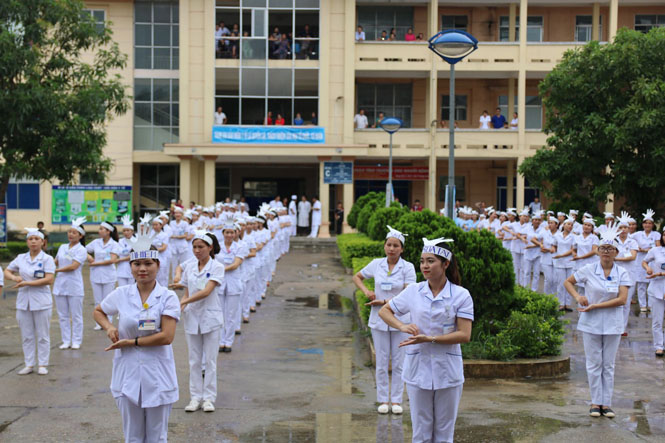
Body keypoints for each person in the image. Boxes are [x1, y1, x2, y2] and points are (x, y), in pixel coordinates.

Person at [379, 237, 473, 442]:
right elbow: (385, 312)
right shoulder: (414, 291)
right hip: (417, 369)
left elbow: (465, 334)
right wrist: (402, 326)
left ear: (445, 264)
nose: (424, 266)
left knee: (444, 434)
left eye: (430, 261)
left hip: (448, 370)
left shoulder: (461, 295)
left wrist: (430, 338)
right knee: (420, 432)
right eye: (422, 261)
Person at [93, 236, 180, 442]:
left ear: (157, 265)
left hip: (157, 374)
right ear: (130, 266)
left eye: (148, 264)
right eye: (137, 264)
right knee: (132, 435)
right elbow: (98, 311)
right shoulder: (121, 293)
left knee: (157, 436)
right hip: (128, 372)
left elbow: (167, 336)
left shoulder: (168, 297)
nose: (143, 269)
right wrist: (109, 327)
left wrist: (131, 343)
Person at [564, 223, 630, 418]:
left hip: (612, 322)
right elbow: (568, 282)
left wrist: (595, 305)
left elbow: (622, 299)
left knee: (608, 364)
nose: (606, 252)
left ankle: (606, 404)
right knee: (594, 363)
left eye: (610, 249)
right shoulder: (588, 269)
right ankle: (595, 402)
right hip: (591, 322)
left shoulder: (622, 273)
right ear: (598, 251)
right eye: (603, 248)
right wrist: (578, 297)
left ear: (617, 252)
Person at [353, 226, 416, 415]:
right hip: (379, 319)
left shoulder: (408, 267)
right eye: (389, 245)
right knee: (381, 362)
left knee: (398, 362)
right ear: (384, 246)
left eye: (396, 246)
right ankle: (382, 399)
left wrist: (386, 302)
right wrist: (367, 292)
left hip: (400, 319)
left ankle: (396, 400)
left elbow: (409, 292)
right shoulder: (376, 264)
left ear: (402, 249)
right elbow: (357, 277)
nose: (391, 249)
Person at [180, 231, 225, 413]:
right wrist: (178, 308)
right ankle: (195, 397)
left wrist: (184, 302)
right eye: (194, 247)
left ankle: (208, 398)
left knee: (210, 360)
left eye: (201, 247)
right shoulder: (190, 267)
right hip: (192, 317)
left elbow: (206, 291)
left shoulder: (217, 267)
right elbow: (187, 292)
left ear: (210, 248)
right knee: (194, 360)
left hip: (210, 317)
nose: (197, 251)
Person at [5, 228, 56, 375]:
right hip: (23, 302)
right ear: (27, 242)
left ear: (42, 242)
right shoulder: (21, 258)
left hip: (41, 301)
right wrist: (15, 278)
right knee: (27, 335)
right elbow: (7, 271)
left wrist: (27, 283)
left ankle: (43, 364)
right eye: (30, 239)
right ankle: (29, 364)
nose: (33, 241)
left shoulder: (47, 259)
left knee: (42, 335)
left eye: (36, 239)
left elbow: (49, 279)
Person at [53, 217, 88, 350]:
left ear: (80, 236)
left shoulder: (81, 250)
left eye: (74, 232)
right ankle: (66, 340)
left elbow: (74, 266)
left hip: (74, 286)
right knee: (63, 315)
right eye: (69, 232)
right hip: (60, 285)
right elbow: (55, 261)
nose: (71, 234)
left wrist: (56, 270)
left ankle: (76, 340)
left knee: (76, 315)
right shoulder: (62, 247)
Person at [87, 222, 120, 329]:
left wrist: (95, 263)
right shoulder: (96, 242)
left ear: (108, 231)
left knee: (107, 299)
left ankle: (108, 322)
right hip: (96, 274)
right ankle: (99, 322)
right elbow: (83, 250)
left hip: (108, 275)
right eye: (99, 229)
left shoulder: (114, 244)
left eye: (102, 229)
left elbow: (112, 260)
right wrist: (89, 257)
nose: (99, 231)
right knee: (97, 300)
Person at [217, 224, 244, 352]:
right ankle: (220, 341)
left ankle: (228, 341)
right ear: (223, 233)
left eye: (231, 232)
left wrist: (220, 269)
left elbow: (236, 264)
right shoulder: (217, 247)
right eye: (227, 232)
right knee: (220, 313)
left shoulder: (239, 247)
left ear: (235, 234)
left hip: (233, 281)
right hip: (220, 282)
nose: (229, 235)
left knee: (231, 314)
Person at [614, 212, 638, 336]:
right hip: (614, 273)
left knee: (626, 302)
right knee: (613, 299)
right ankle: (614, 325)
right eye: (621, 227)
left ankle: (622, 328)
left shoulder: (632, 242)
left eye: (625, 228)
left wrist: (617, 259)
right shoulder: (613, 241)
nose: (623, 230)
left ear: (629, 229)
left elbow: (633, 257)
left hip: (629, 275)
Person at [643, 227, 665, 356]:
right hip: (656, 287)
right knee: (657, 320)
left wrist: (660, 273)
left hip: (659, 278)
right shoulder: (655, 250)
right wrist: (648, 269)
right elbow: (644, 261)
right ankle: (659, 346)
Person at [634, 209, 661, 312]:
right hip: (640, 260)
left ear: (652, 225)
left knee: (652, 283)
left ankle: (651, 304)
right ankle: (642, 305)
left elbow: (658, 247)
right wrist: (637, 248)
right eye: (646, 223)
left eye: (649, 223)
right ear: (643, 225)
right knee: (641, 284)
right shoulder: (637, 234)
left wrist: (645, 250)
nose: (647, 225)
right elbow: (630, 241)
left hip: (653, 260)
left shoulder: (656, 235)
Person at [553, 218, 576, 311]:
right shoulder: (557, 235)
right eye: (568, 224)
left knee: (569, 283)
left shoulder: (574, 236)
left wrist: (561, 255)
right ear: (564, 225)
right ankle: (561, 303)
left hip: (570, 262)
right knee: (560, 283)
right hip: (559, 263)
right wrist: (553, 251)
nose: (570, 226)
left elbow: (572, 250)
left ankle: (568, 304)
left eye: (571, 225)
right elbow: (554, 246)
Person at [117, 215, 135, 287]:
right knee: (122, 290)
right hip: (121, 269)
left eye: (128, 230)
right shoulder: (120, 241)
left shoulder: (136, 241)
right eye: (124, 231)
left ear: (132, 231)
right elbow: (118, 252)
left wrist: (119, 259)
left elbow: (133, 255)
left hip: (132, 269)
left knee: (131, 289)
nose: (126, 232)